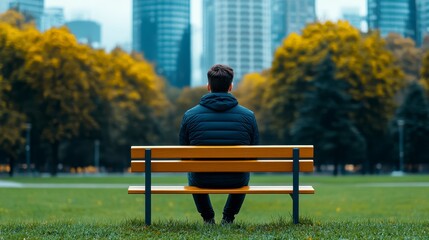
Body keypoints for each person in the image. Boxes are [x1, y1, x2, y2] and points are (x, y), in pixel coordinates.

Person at [179, 64, 259, 224]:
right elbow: (254, 155)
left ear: (208, 86)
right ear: (230, 86)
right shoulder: (248, 116)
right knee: (244, 170)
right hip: (236, 179)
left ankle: (208, 217)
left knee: (192, 170)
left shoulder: (190, 115)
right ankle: (228, 217)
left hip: (202, 179)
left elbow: (184, 154)